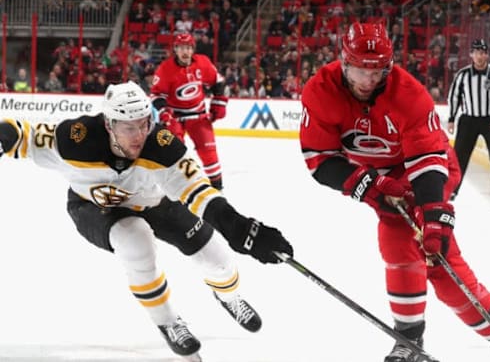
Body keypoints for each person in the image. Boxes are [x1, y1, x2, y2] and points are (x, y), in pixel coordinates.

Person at [0, 81, 293, 361]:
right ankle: (168, 321)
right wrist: (6, 133)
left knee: (217, 259)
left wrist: (236, 225)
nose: (139, 135)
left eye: (144, 124)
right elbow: (25, 137)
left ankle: (229, 297)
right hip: (93, 207)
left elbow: (197, 189)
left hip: (154, 203)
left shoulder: (162, 145)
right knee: (136, 241)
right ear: (109, 124)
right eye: (129, 127)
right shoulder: (75, 139)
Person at [299, 22, 490, 362]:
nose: (369, 80)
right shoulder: (320, 90)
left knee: (437, 259)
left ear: (389, 65)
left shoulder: (409, 94)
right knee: (398, 243)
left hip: (429, 169)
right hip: (379, 177)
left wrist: (433, 218)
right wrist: (372, 185)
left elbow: (427, 161)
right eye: (360, 70)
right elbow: (320, 160)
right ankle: (411, 340)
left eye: (378, 70)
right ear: (344, 62)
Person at [151, 33, 228, 190]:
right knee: (175, 153)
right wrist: (164, 112)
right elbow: (157, 94)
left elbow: (218, 82)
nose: (185, 52)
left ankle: (217, 188)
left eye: (188, 48)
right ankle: (179, 188)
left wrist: (219, 103)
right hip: (174, 117)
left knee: (209, 153)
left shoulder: (203, 63)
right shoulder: (165, 69)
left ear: (193, 49)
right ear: (175, 50)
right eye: (181, 48)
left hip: (198, 116)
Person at [447, 39, 490, 202]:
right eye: (476, 52)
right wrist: (452, 118)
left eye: (482, 52)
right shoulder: (462, 75)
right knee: (459, 156)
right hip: (468, 120)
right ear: (471, 55)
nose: (479, 56)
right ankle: (453, 189)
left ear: (487, 55)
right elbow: (454, 97)